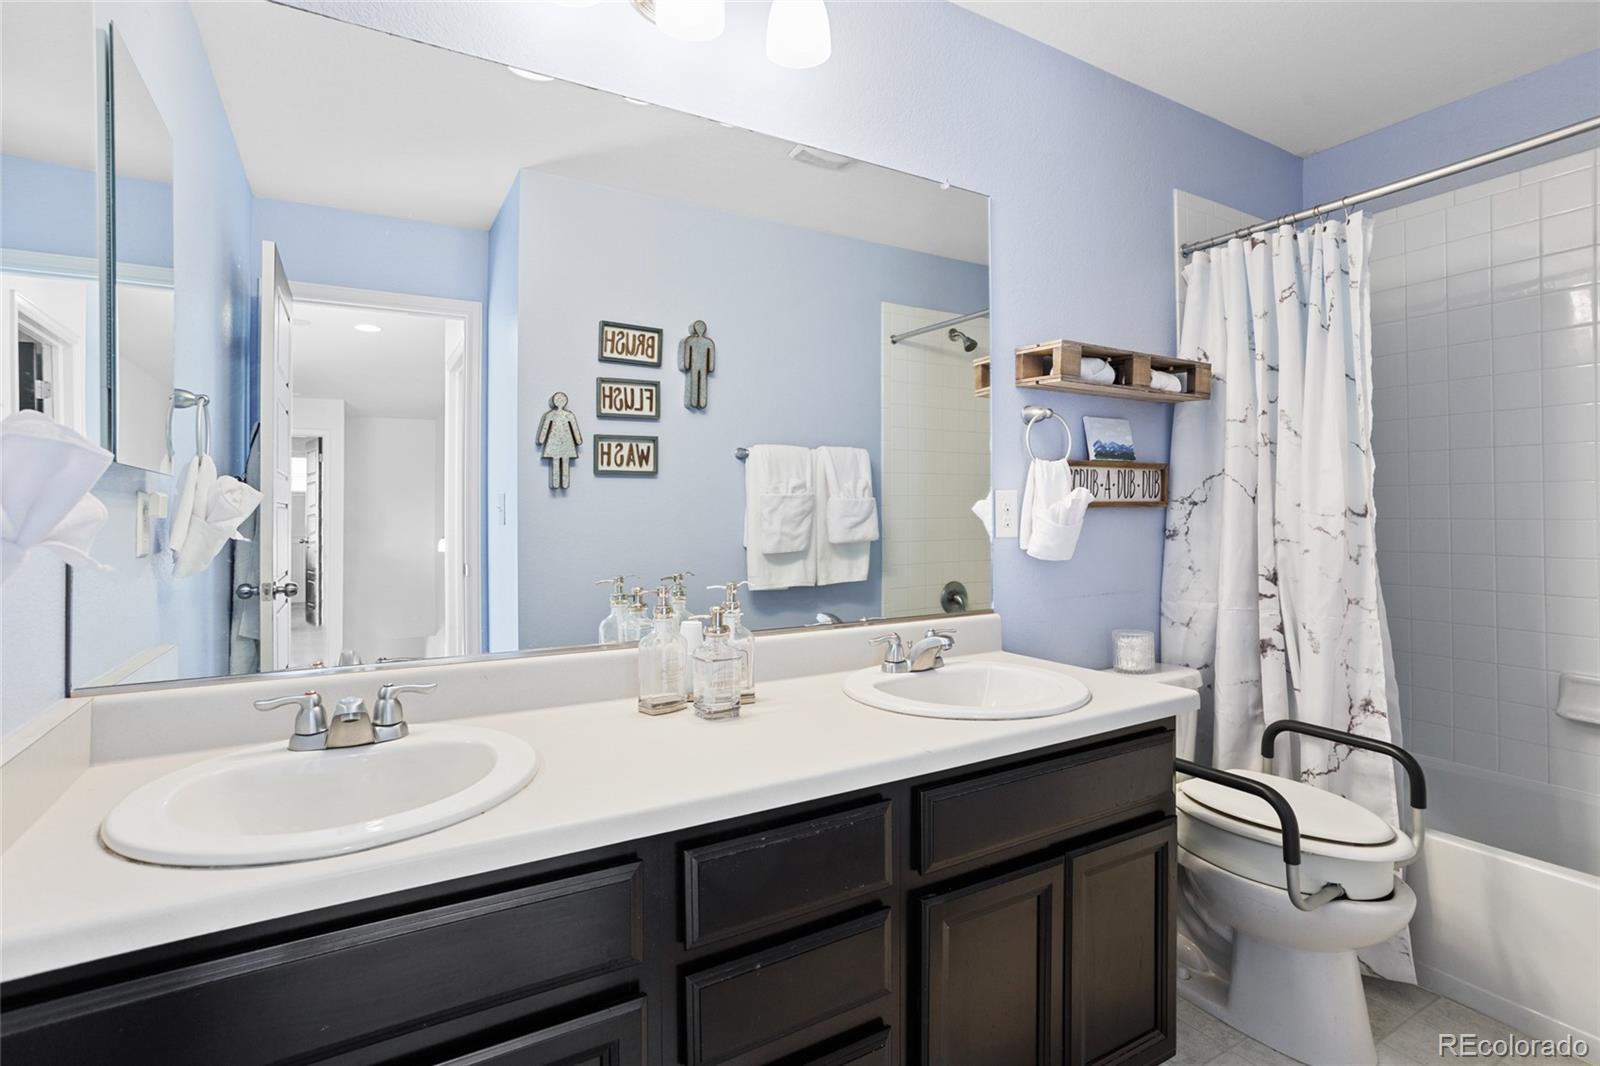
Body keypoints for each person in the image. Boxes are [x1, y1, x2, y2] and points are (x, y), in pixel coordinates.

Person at [536, 391, 582, 489]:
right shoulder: (567, 415)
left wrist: (541, 440)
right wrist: (578, 441)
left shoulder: (553, 415)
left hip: (560, 442)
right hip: (563, 442)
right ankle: (561, 483)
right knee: (562, 461)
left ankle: (559, 483)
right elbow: (575, 430)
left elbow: (544, 430)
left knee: (557, 461)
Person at [679, 320, 715, 409]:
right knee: (695, 381)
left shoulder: (708, 342)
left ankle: (700, 402)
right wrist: (686, 365)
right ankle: (694, 401)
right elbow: (687, 353)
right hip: (695, 366)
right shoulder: (691, 341)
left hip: (701, 366)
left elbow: (711, 357)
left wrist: (710, 368)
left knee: (701, 382)